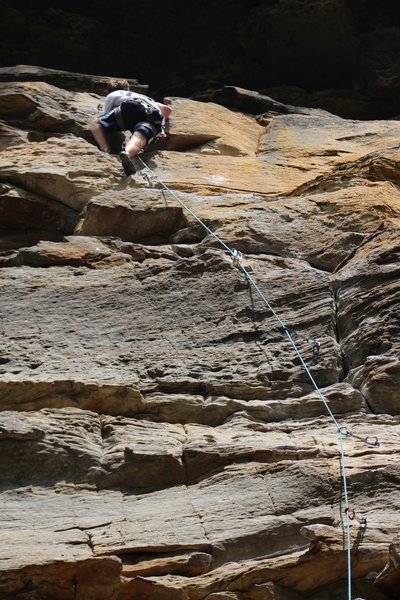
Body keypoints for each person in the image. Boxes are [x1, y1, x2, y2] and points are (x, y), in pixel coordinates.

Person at [91, 79, 172, 176]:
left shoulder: (114, 94)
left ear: (110, 90)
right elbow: (167, 109)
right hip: (152, 113)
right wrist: (161, 126)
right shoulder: (146, 97)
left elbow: (106, 118)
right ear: (128, 88)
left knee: (97, 123)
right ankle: (127, 154)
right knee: (140, 136)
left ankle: (105, 150)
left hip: (131, 107)